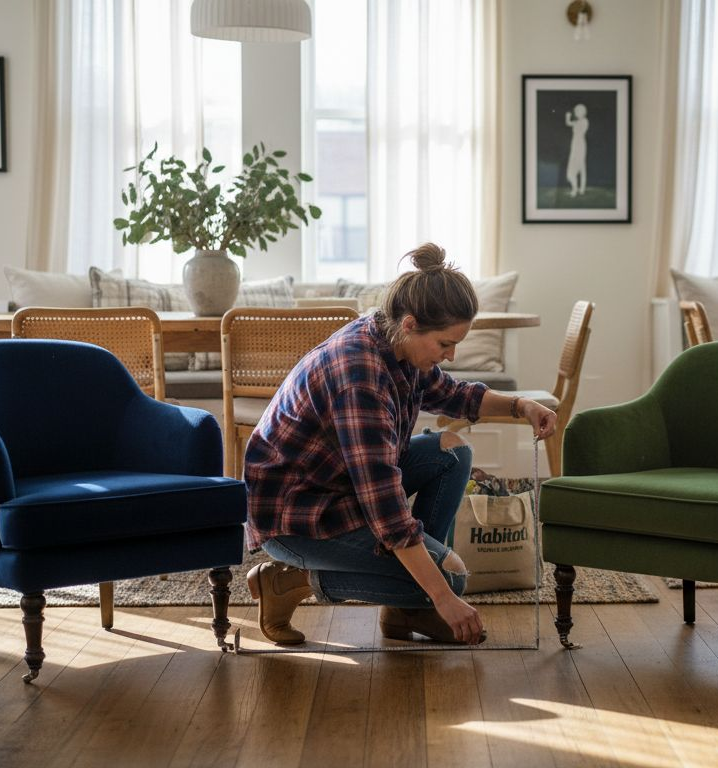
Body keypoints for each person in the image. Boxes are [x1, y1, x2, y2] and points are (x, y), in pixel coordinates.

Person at [243, 243, 557, 646]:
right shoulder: (361, 375)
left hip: (342, 492)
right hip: (297, 517)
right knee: (451, 578)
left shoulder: (394, 342)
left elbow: (452, 395)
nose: (451, 354)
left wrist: (520, 406)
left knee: (452, 451)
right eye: (445, 344)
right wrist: (442, 596)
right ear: (410, 323)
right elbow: (387, 509)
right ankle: (289, 582)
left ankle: (409, 609)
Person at [564, 103, 589, 197]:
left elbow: (575, 127)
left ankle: (577, 189)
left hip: (579, 145)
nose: (576, 112)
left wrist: (569, 119)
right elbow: (568, 123)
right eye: (575, 111)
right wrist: (567, 117)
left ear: (582, 112)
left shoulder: (584, 121)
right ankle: (578, 189)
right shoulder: (578, 121)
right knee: (580, 166)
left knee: (580, 166)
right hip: (575, 144)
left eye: (577, 111)